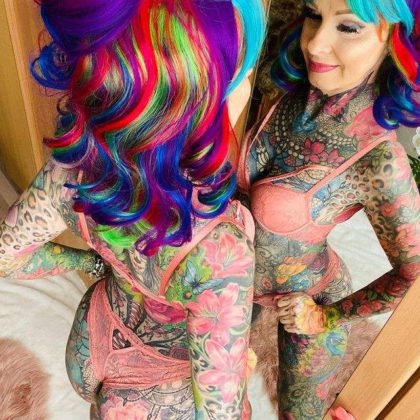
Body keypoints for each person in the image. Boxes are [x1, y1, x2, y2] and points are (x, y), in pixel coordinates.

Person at [0, 0, 266, 418]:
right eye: (239, 74)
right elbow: (220, 413)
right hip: (155, 389)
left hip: (90, 343)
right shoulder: (220, 253)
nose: (248, 83)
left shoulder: (69, 170)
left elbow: (7, 257)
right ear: (197, 107)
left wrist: (89, 262)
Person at [238, 0, 420, 417]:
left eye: (348, 27)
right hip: (235, 279)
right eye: (314, 14)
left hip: (310, 294)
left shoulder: (380, 161)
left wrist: (324, 318)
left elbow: (414, 274)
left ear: (396, 39)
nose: (316, 44)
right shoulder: (283, 92)